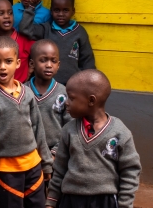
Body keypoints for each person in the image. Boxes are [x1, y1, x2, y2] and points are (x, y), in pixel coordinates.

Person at [0, 36, 53, 208]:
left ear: (18, 63)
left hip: (33, 164)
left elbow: (38, 129)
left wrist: (46, 162)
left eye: (8, 61)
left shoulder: (27, 93)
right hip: (6, 169)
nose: (2, 67)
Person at [46, 70, 141, 208]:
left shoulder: (120, 132)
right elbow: (59, 169)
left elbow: (130, 171)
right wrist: (51, 201)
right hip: (71, 201)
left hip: (104, 202)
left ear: (91, 100)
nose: (66, 102)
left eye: (71, 98)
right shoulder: (68, 130)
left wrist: (125, 204)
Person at [19, 0, 96, 84]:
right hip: (46, 85)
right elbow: (25, 29)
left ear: (73, 11)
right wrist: (31, 8)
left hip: (72, 85)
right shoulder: (46, 29)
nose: (61, 14)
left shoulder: (80, 32)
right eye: (57, 10)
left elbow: (87, 61)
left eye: (65, 10)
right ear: (51, 11)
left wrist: (88, 83)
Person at [25, 40, 72, 157]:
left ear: (58, 65)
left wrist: (56, 151)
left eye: (53, 61)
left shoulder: (64, 93)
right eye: (43, 60)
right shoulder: (22, 91)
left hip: (56, 151)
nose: (49, 65)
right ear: (32, 64)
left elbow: (70, 125)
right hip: (27, 151)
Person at [0, 0, 34, 84]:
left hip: (20, 87)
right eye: (1, 13)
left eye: (10, 13)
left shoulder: (24, 40)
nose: (6, 16)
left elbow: (35, 57)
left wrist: (28, 73)